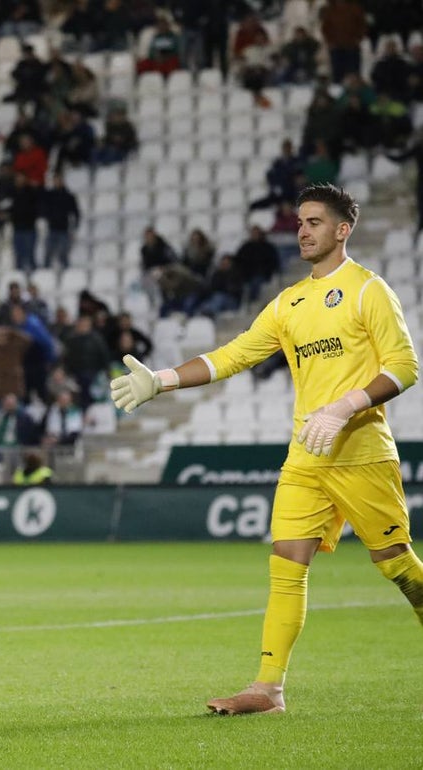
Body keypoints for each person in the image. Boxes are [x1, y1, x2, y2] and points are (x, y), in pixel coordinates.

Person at [110, 184, 423, 715]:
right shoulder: (289, 302)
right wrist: (160, 381)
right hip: (306, 457)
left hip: (362, 453)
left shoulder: (369, 290)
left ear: (342, 230)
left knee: (395, 565)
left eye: (315, 222)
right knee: (286, 563)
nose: (303, 230)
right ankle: (268, 689)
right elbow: (232, 356)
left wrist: (343, 407)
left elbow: (404, 367)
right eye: (300, 222)